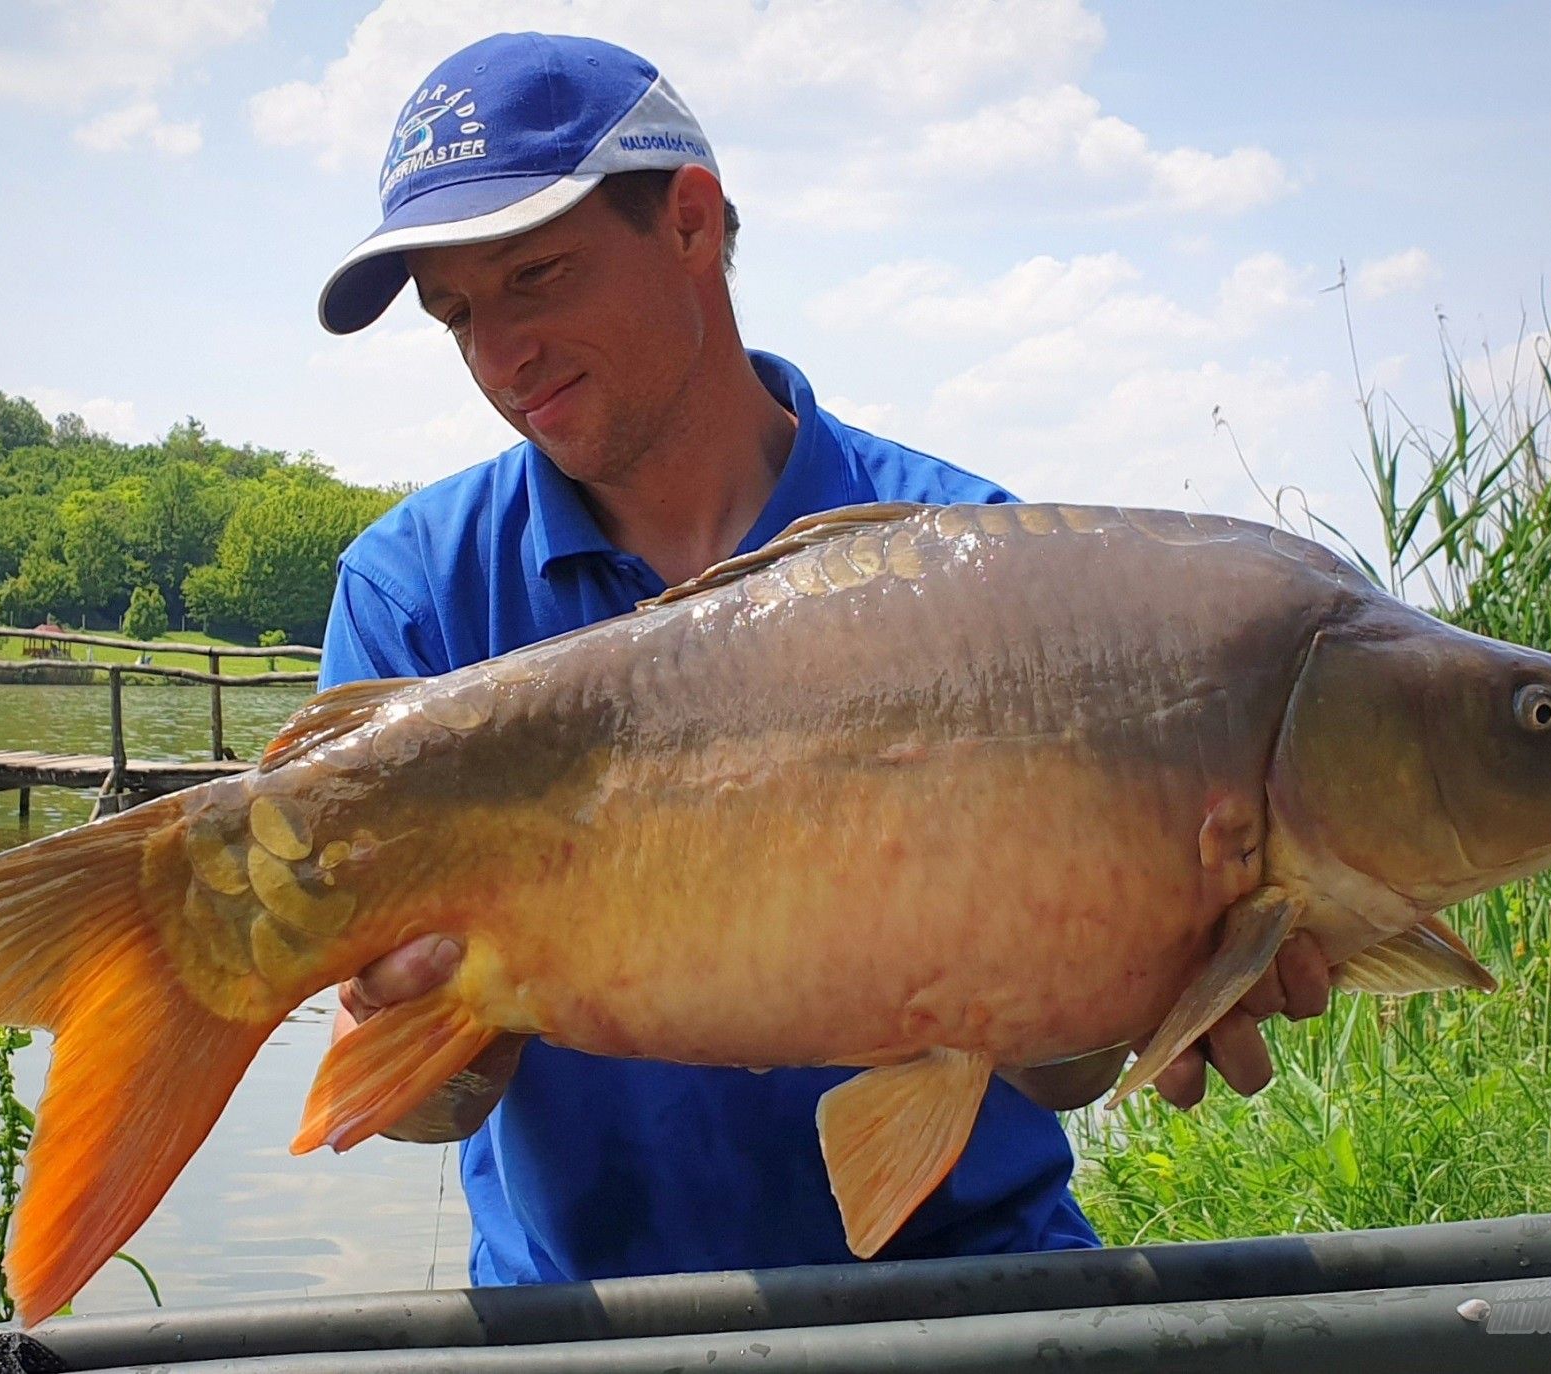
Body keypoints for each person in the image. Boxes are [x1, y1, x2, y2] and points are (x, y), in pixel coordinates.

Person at [316, 32, 1332, 1286]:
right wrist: (435, 1026)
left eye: (538, 277)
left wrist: (1153, 993)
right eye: (459, 314)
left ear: (691, 223)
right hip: (585, 1318)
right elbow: (426, 1107)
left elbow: (1056, 1074)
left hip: (975, 1287)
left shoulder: (986, 571)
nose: (497, 356)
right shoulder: (418, 596)